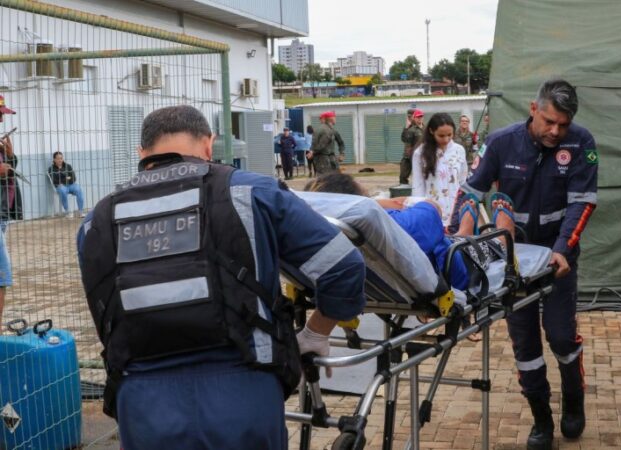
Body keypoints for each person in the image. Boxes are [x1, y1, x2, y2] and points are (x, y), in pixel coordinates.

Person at [76, 105, 366, 449]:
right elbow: (344, 265)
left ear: (142, 153)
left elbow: (105, 313)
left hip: (143, 404)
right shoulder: (253, 192)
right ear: (209, 145)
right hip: (243, 394)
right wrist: (316, 333)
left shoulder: (96, 222)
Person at [449, 79, 598, 450]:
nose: (555, 131)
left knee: (561, 335)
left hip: (555, 259)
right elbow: (471, 192)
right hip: (512, 260)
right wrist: (453, 239)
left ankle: (573, 395)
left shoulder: (582, 143)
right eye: (549, 121)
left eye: (562, 125)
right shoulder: (501, 142)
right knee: (525, 345)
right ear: (534, 108)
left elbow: (582, 203)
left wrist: (563, 248)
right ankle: (541, 419)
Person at [305, 172, 515, 293]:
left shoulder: (323, 232)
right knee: (473, 248)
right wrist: (394, 203)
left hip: (382, 283)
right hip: (449, 271)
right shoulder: (375, 226)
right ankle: (503, 239)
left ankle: (463, 231)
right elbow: (431, 214)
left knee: (450, 240)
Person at [411, 112, 468, 226]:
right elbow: (418, 185)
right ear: (432, 131)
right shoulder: (420, 153)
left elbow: (463, 181)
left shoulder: (459, 150)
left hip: (456, 210)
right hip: (432, 210)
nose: (446, 139)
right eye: (441, 136)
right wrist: (419, 211)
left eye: (449, 135)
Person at [0, 94, 18, 326]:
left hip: (3, 212)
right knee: (1, 277)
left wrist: (11, 157)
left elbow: (9, 171)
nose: (2, 121)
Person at [399, 109, 424, 185]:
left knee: (421, 176)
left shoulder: (426, 128)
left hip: (422, 156)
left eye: (421, 117)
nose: (419, 119)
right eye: (417, 117)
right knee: (403, 176)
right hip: (409, 156)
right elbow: (404, 139)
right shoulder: (410, 129)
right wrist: (406, 128)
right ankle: (403, 192)